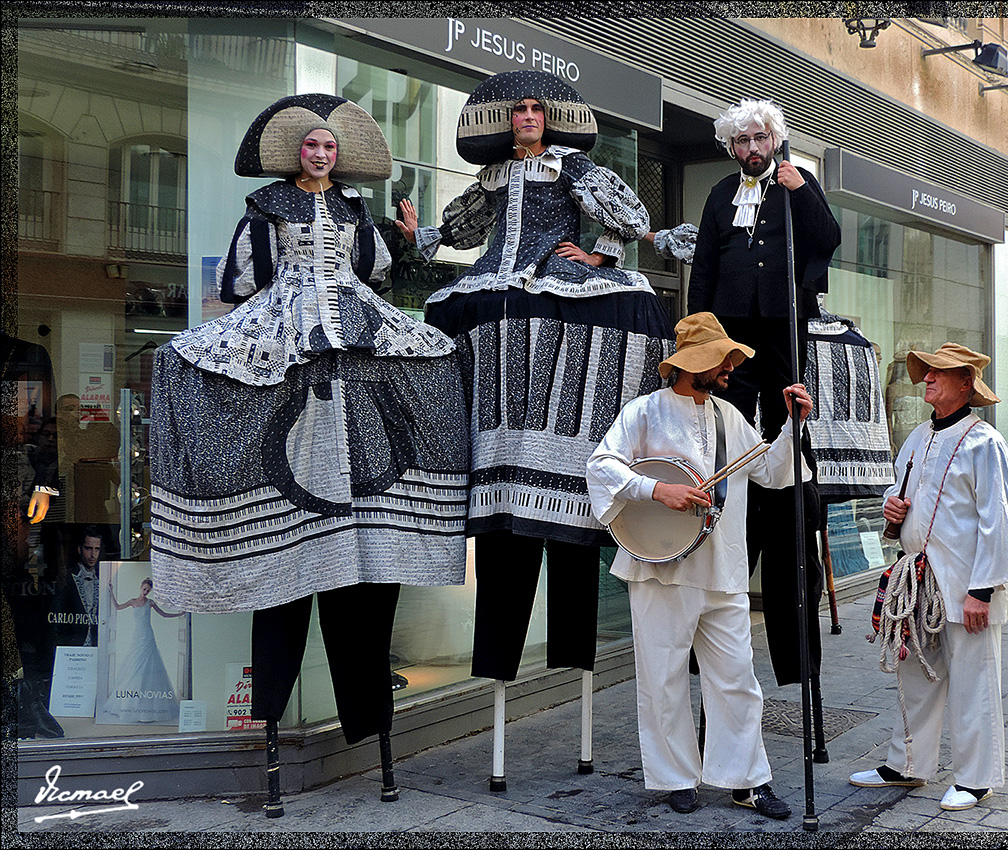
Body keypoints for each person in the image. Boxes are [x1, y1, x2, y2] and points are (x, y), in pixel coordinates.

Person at [147, 93, 470, 748]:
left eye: (329, 146)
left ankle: (363, 484)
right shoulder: (268, 204)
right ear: (298, 152)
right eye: (312, 145)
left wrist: (410, 239)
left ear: (337, 155)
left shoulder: (356, 208)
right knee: (199, 362)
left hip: (350, 315)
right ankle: (279, 479)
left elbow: (376, 271)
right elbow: (242, 280)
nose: (321, 154)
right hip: (286, 315)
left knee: (432, 354)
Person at [397, 71, 674, 690]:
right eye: (518, 110)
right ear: (507, 120)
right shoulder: (493, 175)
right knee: (459, 324)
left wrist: (600, 256)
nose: (527, 117)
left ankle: (568, 442)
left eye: (534, 109)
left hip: (554, 277)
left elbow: (630, 215)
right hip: (496, 280)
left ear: (546, 118)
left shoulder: (570, 166)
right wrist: (422, 236)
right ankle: (491, 443)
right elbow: (465, 232)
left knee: (596, 326)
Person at [586, 312, 812, 818]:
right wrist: (657, 489)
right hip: (662, 568)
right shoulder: (644, 412)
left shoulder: (729, 416)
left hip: (724, 568)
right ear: (693, 364)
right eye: (721, 359)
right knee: (663, 676)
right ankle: (674, 777)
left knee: (737, 679)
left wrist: (792, 426)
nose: (730, 367)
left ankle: (747, 780)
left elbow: (774, 474)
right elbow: (600, 466)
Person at [686, 97, 841, 690]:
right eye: (741, 141)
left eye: (759, 138)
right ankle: (727, 476)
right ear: (731, 147)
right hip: (730, 327)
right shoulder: (722, 194)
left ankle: (784, 473)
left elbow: (828, 237)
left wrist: (800, 189)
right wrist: (699, 330)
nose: (751, 149)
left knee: (784, 418)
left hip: (782, 323)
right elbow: (704, 263)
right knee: (726, 418)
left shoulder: (794, 184)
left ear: (775, 139)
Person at [849, 342, 1008, 812]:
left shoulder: (984, 441)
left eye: (937, 373)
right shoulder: (917, 436)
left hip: (968, 586)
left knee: (973, 679)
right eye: (925, 372)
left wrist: (981, 593)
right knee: (915, 673)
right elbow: (902, 493)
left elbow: (998, 520)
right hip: (920, 583)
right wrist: (892, 507)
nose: (925, 378)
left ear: (966, 384)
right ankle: (907, 765)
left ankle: (976, 777)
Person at [102, 577, 184, 723]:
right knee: (135, 666)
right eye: (144, 589)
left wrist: (179, 614)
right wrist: (111, 592)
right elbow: (118, 607)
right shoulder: (133, 602)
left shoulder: (150, 603)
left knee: (149, 665)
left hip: (148, 636)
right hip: (138, 636)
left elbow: (164, 614)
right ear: (140, 587)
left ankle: (149, 707)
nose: (145, 592)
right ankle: (131, 705)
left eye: (148, 590)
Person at [48, 526, 102, 648]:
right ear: (80, 549)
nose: (93, 555)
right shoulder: (66, 577)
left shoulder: (105, 578)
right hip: (71, 648)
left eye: (97, 549)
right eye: (88, 548)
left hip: (98, 647)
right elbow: (56, 616)